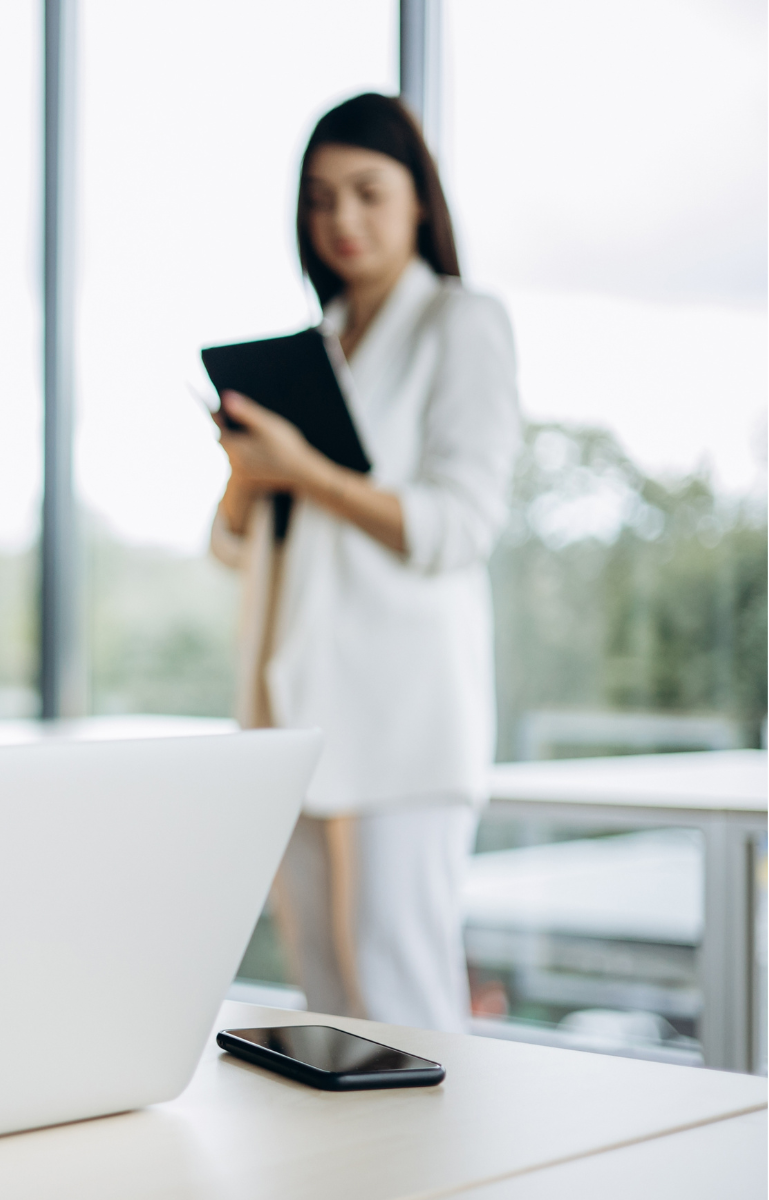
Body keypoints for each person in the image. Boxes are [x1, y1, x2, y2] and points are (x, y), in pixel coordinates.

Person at [208, 94, 521, 1032]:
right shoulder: (314, 347)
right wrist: (249, 477)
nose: (341, 219)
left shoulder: (461, 325)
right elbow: (232, 548)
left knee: (405, 1002)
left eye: (366, 193)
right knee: (329, 1012)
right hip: (293, 719)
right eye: (320, 199)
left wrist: (313, 470)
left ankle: (447, 1185)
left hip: (404, 722)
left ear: (418, 200)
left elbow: (458, 526)